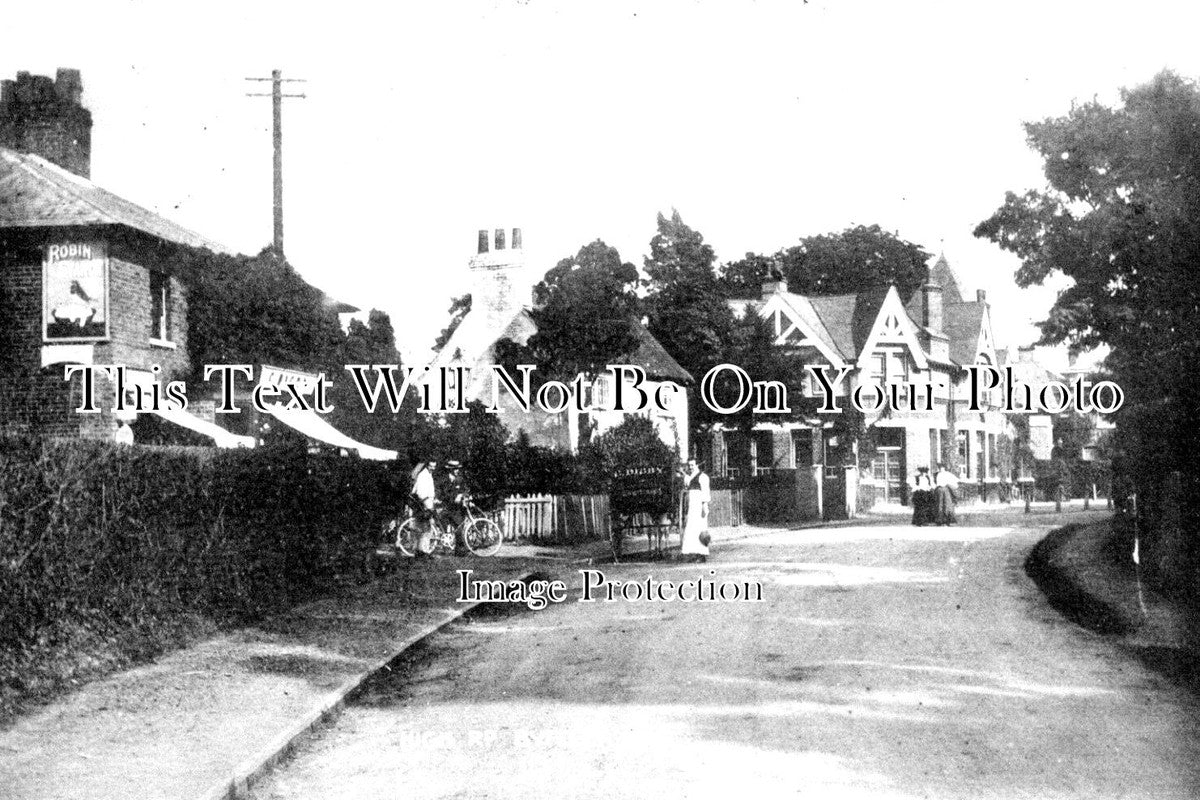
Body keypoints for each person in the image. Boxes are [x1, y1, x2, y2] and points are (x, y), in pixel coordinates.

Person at [679, 458, 711, 562]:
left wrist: (704, 506)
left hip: (699, 506)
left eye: (693, 465)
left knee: (700, 529)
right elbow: (687, 484)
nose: (691, 467)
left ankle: (702, 555)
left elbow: (706, 493)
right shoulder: (690, 477)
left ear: (697, 465)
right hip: (692, 506)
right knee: (692, 529)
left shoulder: (703, 477)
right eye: (689, 465)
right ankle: (693, 553)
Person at [408, 459, 438, 557]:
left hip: (427, 502)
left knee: (424, 528)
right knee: (424, 528)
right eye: (431, 466)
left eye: (434, 466)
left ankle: (421, 550)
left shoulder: (429, 474)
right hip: (423, 504)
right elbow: (421, 493)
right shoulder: (423, 475)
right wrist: (427, 506)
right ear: (427, 466)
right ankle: (422, 551)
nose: (433, 468)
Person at [439, 460, 470, 556]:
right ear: (450, 470)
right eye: (455, 469)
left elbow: (466, 490)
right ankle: (445, 548)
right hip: (446, 507)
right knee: (443, 529)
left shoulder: (460, 479)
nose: (457, 471)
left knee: (459, 529)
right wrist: (451, 498)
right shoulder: (444, 480)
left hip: (457, 509)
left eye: (457, 469)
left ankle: (460, 551)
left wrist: (461, 495)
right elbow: (442, 494)